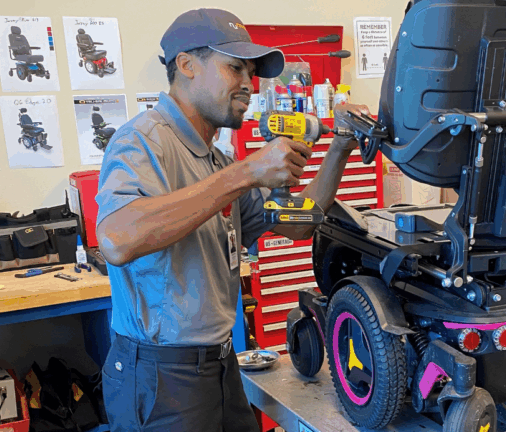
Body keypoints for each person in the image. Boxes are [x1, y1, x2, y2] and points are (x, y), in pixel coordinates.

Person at [95, 8, 370, 432]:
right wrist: (246, 173)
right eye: (235, 67)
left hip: (220, 366)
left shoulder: (217, 161)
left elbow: (298, 224)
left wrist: (341, 147)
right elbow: (116, 238)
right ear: (186, 64)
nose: (248, 83)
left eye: (252, 72)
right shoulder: (142, 141)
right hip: (161, 377)